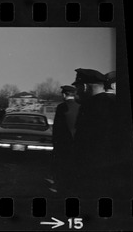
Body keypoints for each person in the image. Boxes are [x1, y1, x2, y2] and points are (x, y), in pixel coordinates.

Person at [72, 68, 120, 197]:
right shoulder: (112, 103)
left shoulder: (91, 106)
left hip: (94, 175)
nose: (76, 92)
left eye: (78, 88)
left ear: (86, 87)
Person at [51, 85, 80, 194]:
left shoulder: (61, 107)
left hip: (63, 143)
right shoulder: (80, 106)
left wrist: (55, 142)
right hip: (77, 142)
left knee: (61, 166)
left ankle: (60, 186)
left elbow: (57, 127)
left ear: (64, 94)